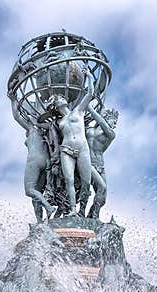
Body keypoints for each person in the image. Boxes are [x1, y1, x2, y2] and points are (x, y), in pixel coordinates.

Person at [47, 69, 96, 216]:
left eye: (61, 97)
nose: (62, 98)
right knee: (69, 180)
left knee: (86, 182)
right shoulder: (58, 122)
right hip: (66, 149)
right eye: (58, 99)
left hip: (82, 148)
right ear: (56, 106)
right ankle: (73, 211)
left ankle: (82, 210)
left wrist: (88, 76)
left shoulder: (78, 111)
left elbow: (90, 94)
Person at [11, 97, 56, 218]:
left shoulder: (32, 129)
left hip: (34, 161)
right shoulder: (48, 131)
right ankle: (40, 223)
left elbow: (17, 117)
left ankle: (48, 207)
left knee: (29, 190)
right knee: (37, 194)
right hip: (46, 162)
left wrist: (12, 100)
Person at [83, 106, 118, 218]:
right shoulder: (87, 130)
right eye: (114, 121)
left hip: (100, 165)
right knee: (97, 188)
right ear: (107, 118)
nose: (115, 124)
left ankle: (91, 214)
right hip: (86, 163)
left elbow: (102, 123)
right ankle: (92, 215)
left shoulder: (111, 134)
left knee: (102, 198)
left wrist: (90, 108)